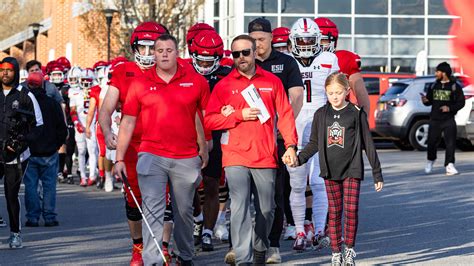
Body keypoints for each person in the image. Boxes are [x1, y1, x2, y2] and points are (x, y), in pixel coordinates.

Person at [114, 34, 210, 266]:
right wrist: (119, 158)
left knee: (184, 212)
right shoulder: (139, 83)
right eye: (160, 50)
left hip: (186, 156)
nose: (164, 54)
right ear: (153, 54)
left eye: (169, 50)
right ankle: (153, 260)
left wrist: (204, 146)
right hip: (151, 155)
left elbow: (202, 117)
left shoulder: (196, 81)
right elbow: (127, 122)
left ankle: (186, 256)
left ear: (177, 53)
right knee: (153, 210)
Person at [204, 34, 298, 266]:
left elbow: (285, 115)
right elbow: (209, 120)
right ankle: (243, 258)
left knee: (267, 209)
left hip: (265, 155)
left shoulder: (272, 81)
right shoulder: (224, 85)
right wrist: (238, 116)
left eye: (245, 52)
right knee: (239, 206)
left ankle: (259, 248)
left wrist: (291, 145)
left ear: (256, 53)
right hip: (234, 155)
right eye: (236, 54)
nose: (241, 58)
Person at [285, 72, 384, 266]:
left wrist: (377, 173)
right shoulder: (321, 114)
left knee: (351, 210)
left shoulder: (356, 113)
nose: (335, 97)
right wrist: (298, 159)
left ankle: (349, 250)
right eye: (331, 93)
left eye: (338, 92)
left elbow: (368, 144)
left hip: (352, 169)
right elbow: (313, 143)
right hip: (330, 170)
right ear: (326, 93)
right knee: (336, 213)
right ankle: (336, 252)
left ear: (347, 91)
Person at [99, 22, 168, 266]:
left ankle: (163, 247)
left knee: (166, 198)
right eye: (144, 48)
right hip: (132, 145)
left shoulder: (174, 69)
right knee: (134, 198)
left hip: (166, 143)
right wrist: (107, 131)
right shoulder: (123, 71)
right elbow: (106, 108)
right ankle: (138, 247)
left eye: (154, 48)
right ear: (134, 47)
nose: (149, 54)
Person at [248, 17, 304, 264]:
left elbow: (297, 97)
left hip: (276, 138)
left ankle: (272, 245)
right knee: (243, 194)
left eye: (261, 39)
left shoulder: (286, 63)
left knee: (276, 192)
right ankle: (242, 244)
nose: (257, 44)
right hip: (247, 140)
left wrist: (281, 128)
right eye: (253, 39)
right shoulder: (242, 62)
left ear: (271, 38)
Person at [287, 17, 339, 252]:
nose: (306, 43)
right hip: (294, 123)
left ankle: (319, 230)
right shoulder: (286, 61)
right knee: (297, 183)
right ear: (293, 41)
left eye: (310, 39)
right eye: (302, 40)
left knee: (319, 182)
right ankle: (299, 230)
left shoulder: (329, 59)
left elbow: (338, 94)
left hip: (321, 121)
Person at [189, 30, 232, 251]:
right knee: (190, 184)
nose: (204, 66)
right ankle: (197, 218)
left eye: (209, 62)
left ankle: (207, 230)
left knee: (213, 183)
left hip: (216, 134)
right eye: (200, 61)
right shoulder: (183, 71)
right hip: (187, 134)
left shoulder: (227, 74)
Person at [0, 57, 44, 248]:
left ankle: (15, 234)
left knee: (11, 194)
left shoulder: (25, 95)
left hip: (16, 155)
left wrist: (20, 142)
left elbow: (38, 126)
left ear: (16, 72)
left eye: (9, 70)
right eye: (2, 69)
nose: (5, 73)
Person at [23, 71, 67, 227]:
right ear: (43, 84)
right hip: (49, 150)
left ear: (28, 84)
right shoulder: (52, 103)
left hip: (30, 151)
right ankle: (49, 216)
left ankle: (32, 217)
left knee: (30, 186)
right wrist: (56, 145)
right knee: (49, 186)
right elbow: (62, 128)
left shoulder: (24, 104)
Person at [315, 17, 370, 111]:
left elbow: (361, 94)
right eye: (315, 40)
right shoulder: (299, 62)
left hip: (338, 117)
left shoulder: (345, 59)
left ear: (333, 41)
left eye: (323, 40)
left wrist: (364, 120)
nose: (319, 44)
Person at [421, 62, 465, 175]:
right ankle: (431, 160)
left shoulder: (455, 87)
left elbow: (461, 103)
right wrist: (425, 101)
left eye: (437, 71)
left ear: (444, 73)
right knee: (431, 142)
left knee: (450, 143)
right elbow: (429, 101)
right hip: (435, 119)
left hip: (448, 120)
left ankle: (449, 165)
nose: (436, 73)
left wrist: (449, 108)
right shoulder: (433, 85)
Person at [86, 65, 113, 191]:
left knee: (112, 151)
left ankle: (110, 175)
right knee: (103, 151)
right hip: (103, 123)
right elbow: (92, 111)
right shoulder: (97, 90)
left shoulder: (117, 87)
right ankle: (103, 176)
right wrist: (87, 126)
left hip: (115, 123)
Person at [69, 67, 98, 186]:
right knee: (81, 151)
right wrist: (77, 123)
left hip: (92, 125)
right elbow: (73, 111)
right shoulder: (75, 92)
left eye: (88, 80)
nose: (86, 83)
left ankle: (92, 175)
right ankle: (83, 176)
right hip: (80, 124)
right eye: (84, 80)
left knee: (92, 150)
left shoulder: (96, 91)